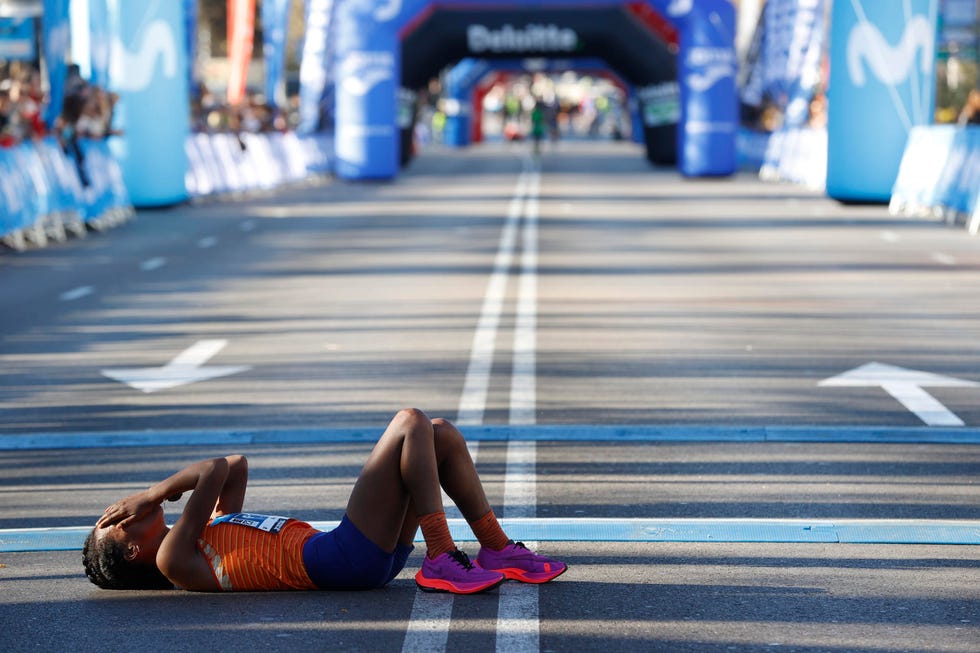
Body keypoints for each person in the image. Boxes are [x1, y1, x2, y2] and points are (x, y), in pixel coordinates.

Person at [83, 408, 567, 595]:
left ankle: (495, 546)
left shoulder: (205, 533)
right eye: (118, 520)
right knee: (410, 421)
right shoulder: (174, 560)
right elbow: (209, 470)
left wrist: (160, 496)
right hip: (342, 559)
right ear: (132, 550)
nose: (128, 509)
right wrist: (154, 492)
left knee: (438, 434)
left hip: (359, 559)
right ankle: (440, 554)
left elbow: (234, 464)